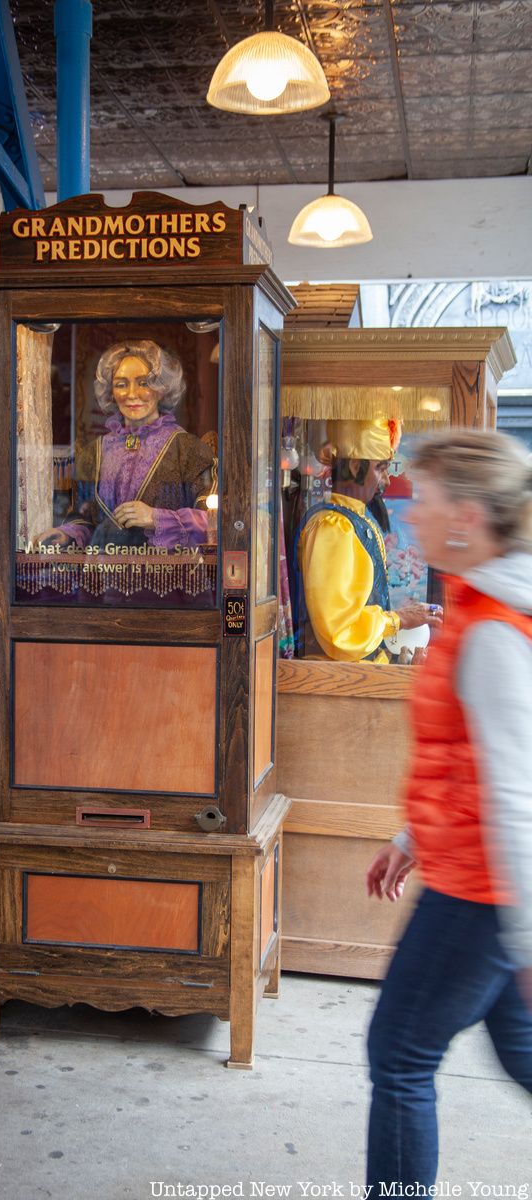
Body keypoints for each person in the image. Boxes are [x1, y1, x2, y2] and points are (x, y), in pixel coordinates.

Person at [365, 428, 532, 1189]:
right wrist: (411, 834)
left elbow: (514, 792)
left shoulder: (493, 627)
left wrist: (528, 943)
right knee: (523, 1054)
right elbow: (468, 757)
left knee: (399, 1053)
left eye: (421, 497)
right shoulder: (477, 605)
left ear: (466, 515)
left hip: (483, 892)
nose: (409, 510)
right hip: (476, 875)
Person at [36, 339, 215, 552]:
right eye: (121, 384)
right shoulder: (95, 453)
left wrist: (156, 518)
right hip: (103, 577)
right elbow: (85, 521)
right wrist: (66, 534)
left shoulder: (188, 450)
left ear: (161, 389)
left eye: (144, 383)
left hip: (165, 579)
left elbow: (214, 523)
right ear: (111, 391)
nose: (131, 394)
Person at [294, 417, 443, 661]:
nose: (385, 480)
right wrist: (399, 619)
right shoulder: (333, 529)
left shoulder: (353, 520)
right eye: (380, 469)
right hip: (334, 678)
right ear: (354, 466)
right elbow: (338, 632)